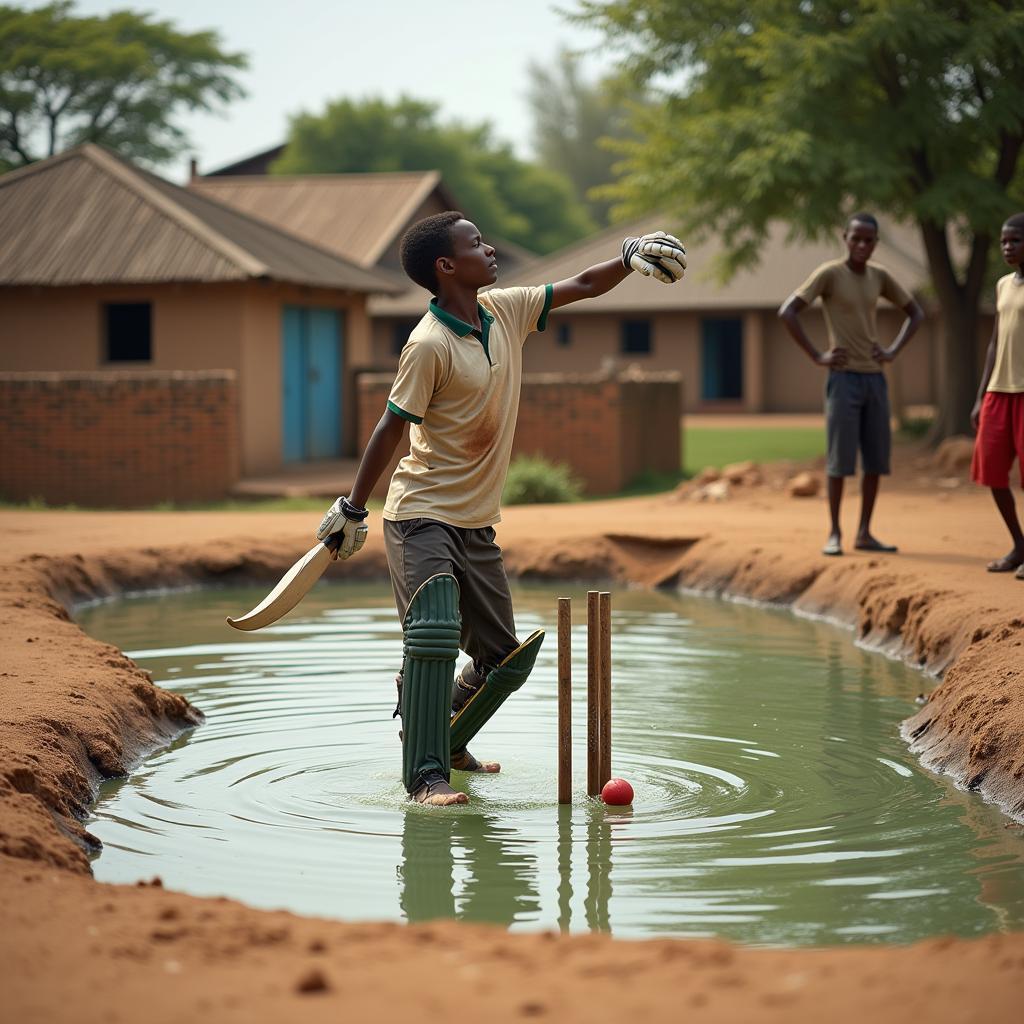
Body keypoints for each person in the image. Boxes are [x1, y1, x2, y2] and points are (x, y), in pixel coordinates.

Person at [315, 212, 686, 805]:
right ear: (446, 266)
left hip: (476, 520)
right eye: (475, 244)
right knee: (433, 631)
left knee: (504, 661)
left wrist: (628, 257)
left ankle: (447, 731)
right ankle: (426, 775)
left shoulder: (505, 311)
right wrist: (353, 508)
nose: (489, 250)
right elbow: (391, 426)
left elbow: (584, 285)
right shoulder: (428, 345)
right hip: (420, 513)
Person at [778, 213, 924, 556]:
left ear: (876, 243)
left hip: (874, 378)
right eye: (855, 238)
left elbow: (916, 312)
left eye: (868, 240)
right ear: (845, 238)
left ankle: (865, 533)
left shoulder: (879, 276)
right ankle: (834, 533)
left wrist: (892, 350)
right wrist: (817, 355)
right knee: (839, 461)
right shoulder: (829, 274)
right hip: (843, 379)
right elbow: (788, 311)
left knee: (874, 461)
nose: (861, 245)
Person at [970, 213, 1024, 576]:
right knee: (992, 473)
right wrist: (979, 394)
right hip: (998, 393)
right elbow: (994, 342)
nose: (1007, 246)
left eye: (1015, 240)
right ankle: (1019, 546)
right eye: (1004, 241)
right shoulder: (1003, 285)